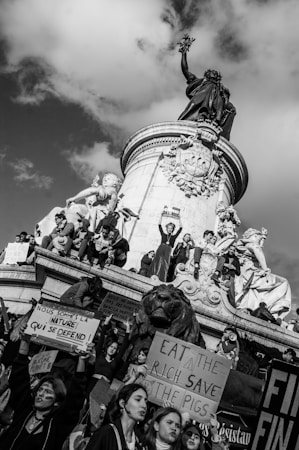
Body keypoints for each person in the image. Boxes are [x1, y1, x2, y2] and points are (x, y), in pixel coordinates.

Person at [0, 336, 88, 450]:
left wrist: (81, 360)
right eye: (40, 389)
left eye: (47, 391)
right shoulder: (24, 410)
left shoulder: (57, 425)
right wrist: (25, 341)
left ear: (56, 402)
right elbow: (19, 378)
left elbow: (74, 400)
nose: (41, 394)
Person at [177, 34, 235, 141]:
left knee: (230, 108)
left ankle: (215, 121)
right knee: (209, 89)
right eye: (210, 73)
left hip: (215, 111)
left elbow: (227, 106)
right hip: (199, 103)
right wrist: (184, 53)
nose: (212, 74)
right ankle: (201, 114)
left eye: (214, 74)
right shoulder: (200, 83)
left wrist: (229, 109)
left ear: (217, 78)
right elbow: (185, 70)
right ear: (206, 75)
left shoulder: (220, 91)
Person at [235, 228, 291, 318]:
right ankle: (270, 309)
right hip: (249, 273)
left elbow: (259, 248)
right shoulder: (250, 244)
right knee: (283, 282)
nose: (258, 239)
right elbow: (257, 249)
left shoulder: (245, 245)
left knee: (282, 282)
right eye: (257, 237)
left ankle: (267, 309)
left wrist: (263, 238)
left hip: (251, 272)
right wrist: (265, 269)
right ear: (252, 236)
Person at [86, 383, 148, 450]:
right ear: (122, 404)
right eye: (138, 399)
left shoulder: (140, 443)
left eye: (145, 402)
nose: (144, 406)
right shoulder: (106, 434)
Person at [88, 314, 131, 393]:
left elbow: (124, 346)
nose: (112, 349)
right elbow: (101, 339)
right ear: (107, 346)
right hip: (94, 382)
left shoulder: (115, 361)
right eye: (111, 347)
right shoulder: (99, 355)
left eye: (115, 348)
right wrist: (106, 322)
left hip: (105, 386)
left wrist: (128, 329)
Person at [149, 211, 182, 282]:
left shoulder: (173, 237)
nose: (170, 229)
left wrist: (179, 219)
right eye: (169, 228)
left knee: (165, 263)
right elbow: (159, 225)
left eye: (171, 228)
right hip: (161, 248)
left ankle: (161, 278)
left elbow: (180, 228)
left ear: (173, 229)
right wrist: (161, 216)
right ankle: (153, 275)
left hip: (168, 249)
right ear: (167, 228)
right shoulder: (163, 235)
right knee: (157, 261)